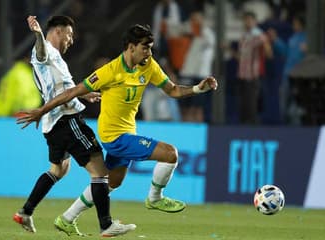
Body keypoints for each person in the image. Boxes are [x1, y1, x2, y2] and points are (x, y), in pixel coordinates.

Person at [16, 24, 217, 236]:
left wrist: (197, 88)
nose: (149, 53)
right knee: (170, 154)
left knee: (111, 182)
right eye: (145, 48)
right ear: (131, 47)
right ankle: (155, 198)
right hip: (114, 137)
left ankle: (67, 218)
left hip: (128, 131)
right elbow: (72, 92)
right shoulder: (110, 71)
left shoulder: (148, 66)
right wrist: (42, 110)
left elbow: (173, 90)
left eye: (150, 48)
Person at [13, 15, 136, 237]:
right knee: (100, 172)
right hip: (67, 120)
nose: (71, 40)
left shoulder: (56, 59)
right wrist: (38, 34)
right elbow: (40, 50)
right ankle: (106, 224)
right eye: (69, 35)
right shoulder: (46, 51)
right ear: (58, 31)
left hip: (53, 124)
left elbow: (62, 87)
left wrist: (84, 95)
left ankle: (26, 212)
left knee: (59, 170)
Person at [237, 11, 272, 124]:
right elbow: (242, 56)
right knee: (243, 105)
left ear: (255, 21)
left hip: (253, 75)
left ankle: (253, 129)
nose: (248, 22)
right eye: (246, 20)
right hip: (243, 74)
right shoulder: (244, 36)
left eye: (250, 20)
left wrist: (267, 49)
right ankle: (243, 128)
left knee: (252, 104)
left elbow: (268, 52)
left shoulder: (259, 35)